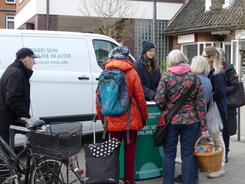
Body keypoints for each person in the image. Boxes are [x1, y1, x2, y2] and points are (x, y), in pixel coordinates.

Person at [96, 46, 148, 184]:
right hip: (130, 121)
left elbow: (99, 99)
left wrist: (103, 119)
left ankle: (113, 180)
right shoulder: (132, 73)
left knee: (113, 154)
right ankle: (129, 180)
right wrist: (144, 117)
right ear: (126, 57)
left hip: (112, 121)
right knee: (129, 153)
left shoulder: (105, 72)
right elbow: (140, 98)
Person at [155, 50, 208, 184]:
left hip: (171, 121)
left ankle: (167, 182)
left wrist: (167, 109)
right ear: (184, 59)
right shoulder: (194, 77)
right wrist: (204, 127)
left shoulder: (166, 77)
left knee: (169, 154)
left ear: (171, 61)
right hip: (191, 121)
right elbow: (200, 104)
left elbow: (159, 100)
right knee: (188, 154)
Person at [175, 55, 213, 184]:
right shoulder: (207, 80)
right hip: (201, 117)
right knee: (196, 149)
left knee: (188, 151)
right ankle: (195, 176)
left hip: (192, 117)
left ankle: (189, 177)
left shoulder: (195, 79)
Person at [0, 48, 39, 144]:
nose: (34, 62)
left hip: (6, 120)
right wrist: (26, 116)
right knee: (5, 155)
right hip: (4, 121)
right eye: (33, 58)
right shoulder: (16, 73)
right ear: (26, 58)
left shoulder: (15, 70)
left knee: (6, 153)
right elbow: (12, 99)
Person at [202, 46, 227, 178]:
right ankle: (214, 163)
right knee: (213, 136)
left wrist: (209, 94)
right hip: (212, 108)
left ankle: (220, 167)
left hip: (216, 109)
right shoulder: (211, 71)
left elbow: (221, 92)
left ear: (211, 58)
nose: (202, 58)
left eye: (204, 56)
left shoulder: (218, 73)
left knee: (217, 136)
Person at [217, 48, 239, 163]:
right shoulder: (212, 68)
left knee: (225, 129)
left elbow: (235, 85)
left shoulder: (229, 68)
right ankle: (216, 152)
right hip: (216, 104)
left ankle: (225, 152)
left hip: (227, 104)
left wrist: (222, 91)